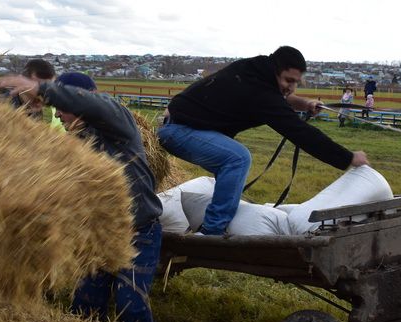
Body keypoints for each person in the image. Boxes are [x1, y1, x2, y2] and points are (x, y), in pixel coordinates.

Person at [0, 73, 171, 322]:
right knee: (84, 309)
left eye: (64, 106)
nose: (59, 114)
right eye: (57, 108)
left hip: (138, 233)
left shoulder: (117, 125)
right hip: (96, 236)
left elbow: (95, 102)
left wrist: (46, 90)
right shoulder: (75, 144)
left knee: (130, 304)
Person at [157, 46, 369, 235]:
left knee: (233, 162)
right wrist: (347, 158)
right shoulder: (259, 91)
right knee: (237, 158)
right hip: (179, 131)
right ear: (275, 70)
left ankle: (217, 217)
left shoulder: (254, 70)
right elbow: (301, 133)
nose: (292, 87)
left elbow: (280, 98)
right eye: (288, 80)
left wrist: (304, 104)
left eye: (296, 82)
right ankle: (211, 231)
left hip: (181, 124)